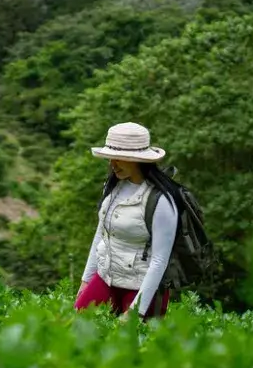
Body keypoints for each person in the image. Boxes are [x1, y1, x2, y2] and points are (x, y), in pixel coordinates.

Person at [74, 122, 182, 322]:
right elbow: (101, 234)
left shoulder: (161, 200)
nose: (112, 164)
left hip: (143, 288)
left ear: (138, 160)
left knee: (132, 348)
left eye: (119, 159)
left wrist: (136, 312)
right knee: (76, 327)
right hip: (106, 277)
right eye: (110, 158)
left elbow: (159, 261)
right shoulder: (113, 186)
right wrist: (85, 281)